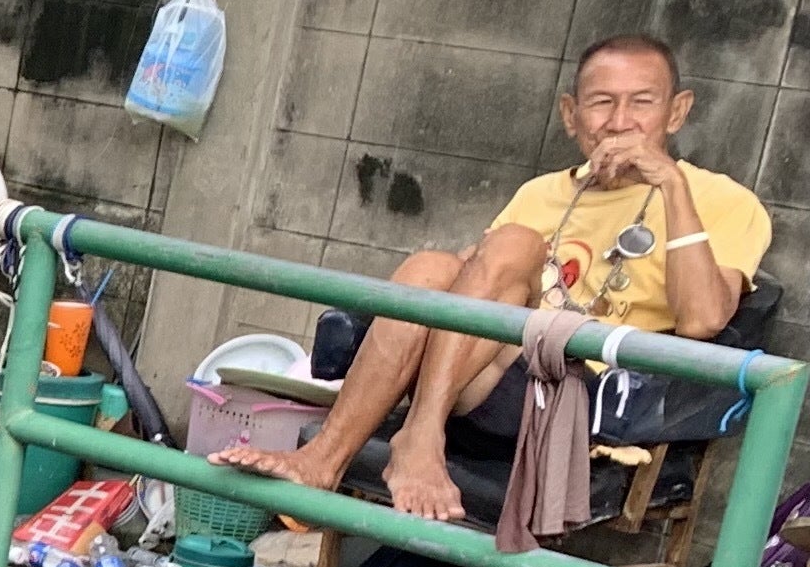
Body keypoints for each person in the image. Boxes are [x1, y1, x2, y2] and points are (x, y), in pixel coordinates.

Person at [224, 34, 768, 529]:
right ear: (571, 115)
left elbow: (702, 321)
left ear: (677, 113)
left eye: (641, 102)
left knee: (506, 246)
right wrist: (470, 266)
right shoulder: (542, 193)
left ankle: (412, 434)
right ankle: (332, 460)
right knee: (431, 268)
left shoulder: (723, 201)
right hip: (485, 380)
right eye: (602, 103)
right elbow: (478, 279)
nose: (620, 122)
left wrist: (671, 187)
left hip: (577, 400)